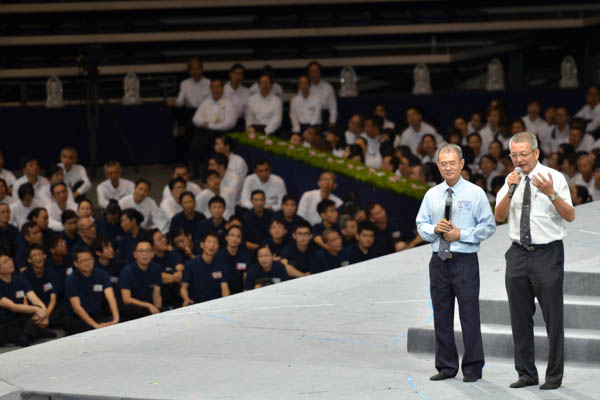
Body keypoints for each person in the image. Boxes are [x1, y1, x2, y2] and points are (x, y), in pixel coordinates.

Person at [494, 132, 574, 390]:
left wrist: (551, 193)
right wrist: (510, 190)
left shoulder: (555, 178)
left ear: (536, 153)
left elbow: (570, 215)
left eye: (523, 154)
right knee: (519, 318)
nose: (519, 159)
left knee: (553, 318)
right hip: (517, 253)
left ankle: (554, 377)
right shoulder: (511, 180)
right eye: (514, 155)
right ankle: (526, 373)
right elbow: (499, 216)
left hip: (547, 254)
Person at [416, 143, 496, 383]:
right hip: (438, 260)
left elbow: (488, 226)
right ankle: (446, 366)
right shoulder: (432, 194)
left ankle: (472, 367)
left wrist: (461, 234)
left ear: (462, 164)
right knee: (441, 314)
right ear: (438, 166)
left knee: (469, 315)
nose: (448, 167)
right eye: (443, 163)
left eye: (452, 162)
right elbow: (421, 225)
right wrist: (434, 228)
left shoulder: (475, 193)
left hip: (464, 260)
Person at [63, 247, 119, 334]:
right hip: (78, 317)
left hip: (98, 314)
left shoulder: (102, 274)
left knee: (120, 320)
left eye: (89, 259)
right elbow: (77, 308)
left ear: (93, 260)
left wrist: (116, 319)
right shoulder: (71, 280)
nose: (87, 263)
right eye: (83, 261)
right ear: (76, 264)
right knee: (74, 325)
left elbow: (110, 297)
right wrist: (95, 325)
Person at [0, 252, 48, 346]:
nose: (10, 262)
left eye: (10, 259)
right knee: (4, 329)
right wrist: (38, 310)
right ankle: (32, 334)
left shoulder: (19, 279)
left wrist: (44, 313)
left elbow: (34, 298)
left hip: (19, 317)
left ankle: (26, 335)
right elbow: (12, 306)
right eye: (5, 262)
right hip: (4, 320)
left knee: (35, 314)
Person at [181, 232, 229, 306]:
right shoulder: (190, 264)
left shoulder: (221, 265)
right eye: (209, 242)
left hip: (216, 305)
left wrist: (227, 302)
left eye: (215, 243)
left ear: (218, 247)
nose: (212, 245)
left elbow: (225, 288)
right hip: (195, 305)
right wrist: (186, 299)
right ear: (202, 245)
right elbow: (183, 288)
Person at [119, 240, 163, 320]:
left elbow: (157, 294)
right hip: (132, 310)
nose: (144, 254)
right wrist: (148, 305)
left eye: (148, 251)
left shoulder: (157, 268)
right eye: (141, 251)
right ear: (135, 255)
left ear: (152, 254)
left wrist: (159, 311)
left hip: (149, 308)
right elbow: (126, 299)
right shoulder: (126, 272)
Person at [148, 229, 184, 309]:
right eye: (159, 239)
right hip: (158, 304)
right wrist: (174, 277)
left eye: (163, 237)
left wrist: (167, 277)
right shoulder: (149, 260)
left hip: (178, 300)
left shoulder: (173, 254)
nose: (164, 240)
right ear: (152, 245)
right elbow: (155, 277)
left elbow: (181, 272)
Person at [214, 225, 251, 295]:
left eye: (238, 236)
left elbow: (246, 279)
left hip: (240, 292)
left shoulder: (245, 256)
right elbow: (222, 281)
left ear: (241, 240)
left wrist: (245, 295)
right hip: (220, 293)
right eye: (232, 235)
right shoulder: (219, 256)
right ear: (226, 237)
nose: (235, 239)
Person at [307, 61, 337, 127]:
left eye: (316, 70)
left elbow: (333, 106)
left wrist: (332, 121)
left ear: (320, 72)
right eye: (311, 71)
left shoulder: (328, 88)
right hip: (309, 117)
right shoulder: (305, 88)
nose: (314, 73)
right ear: (309, 73)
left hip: (324, 117)